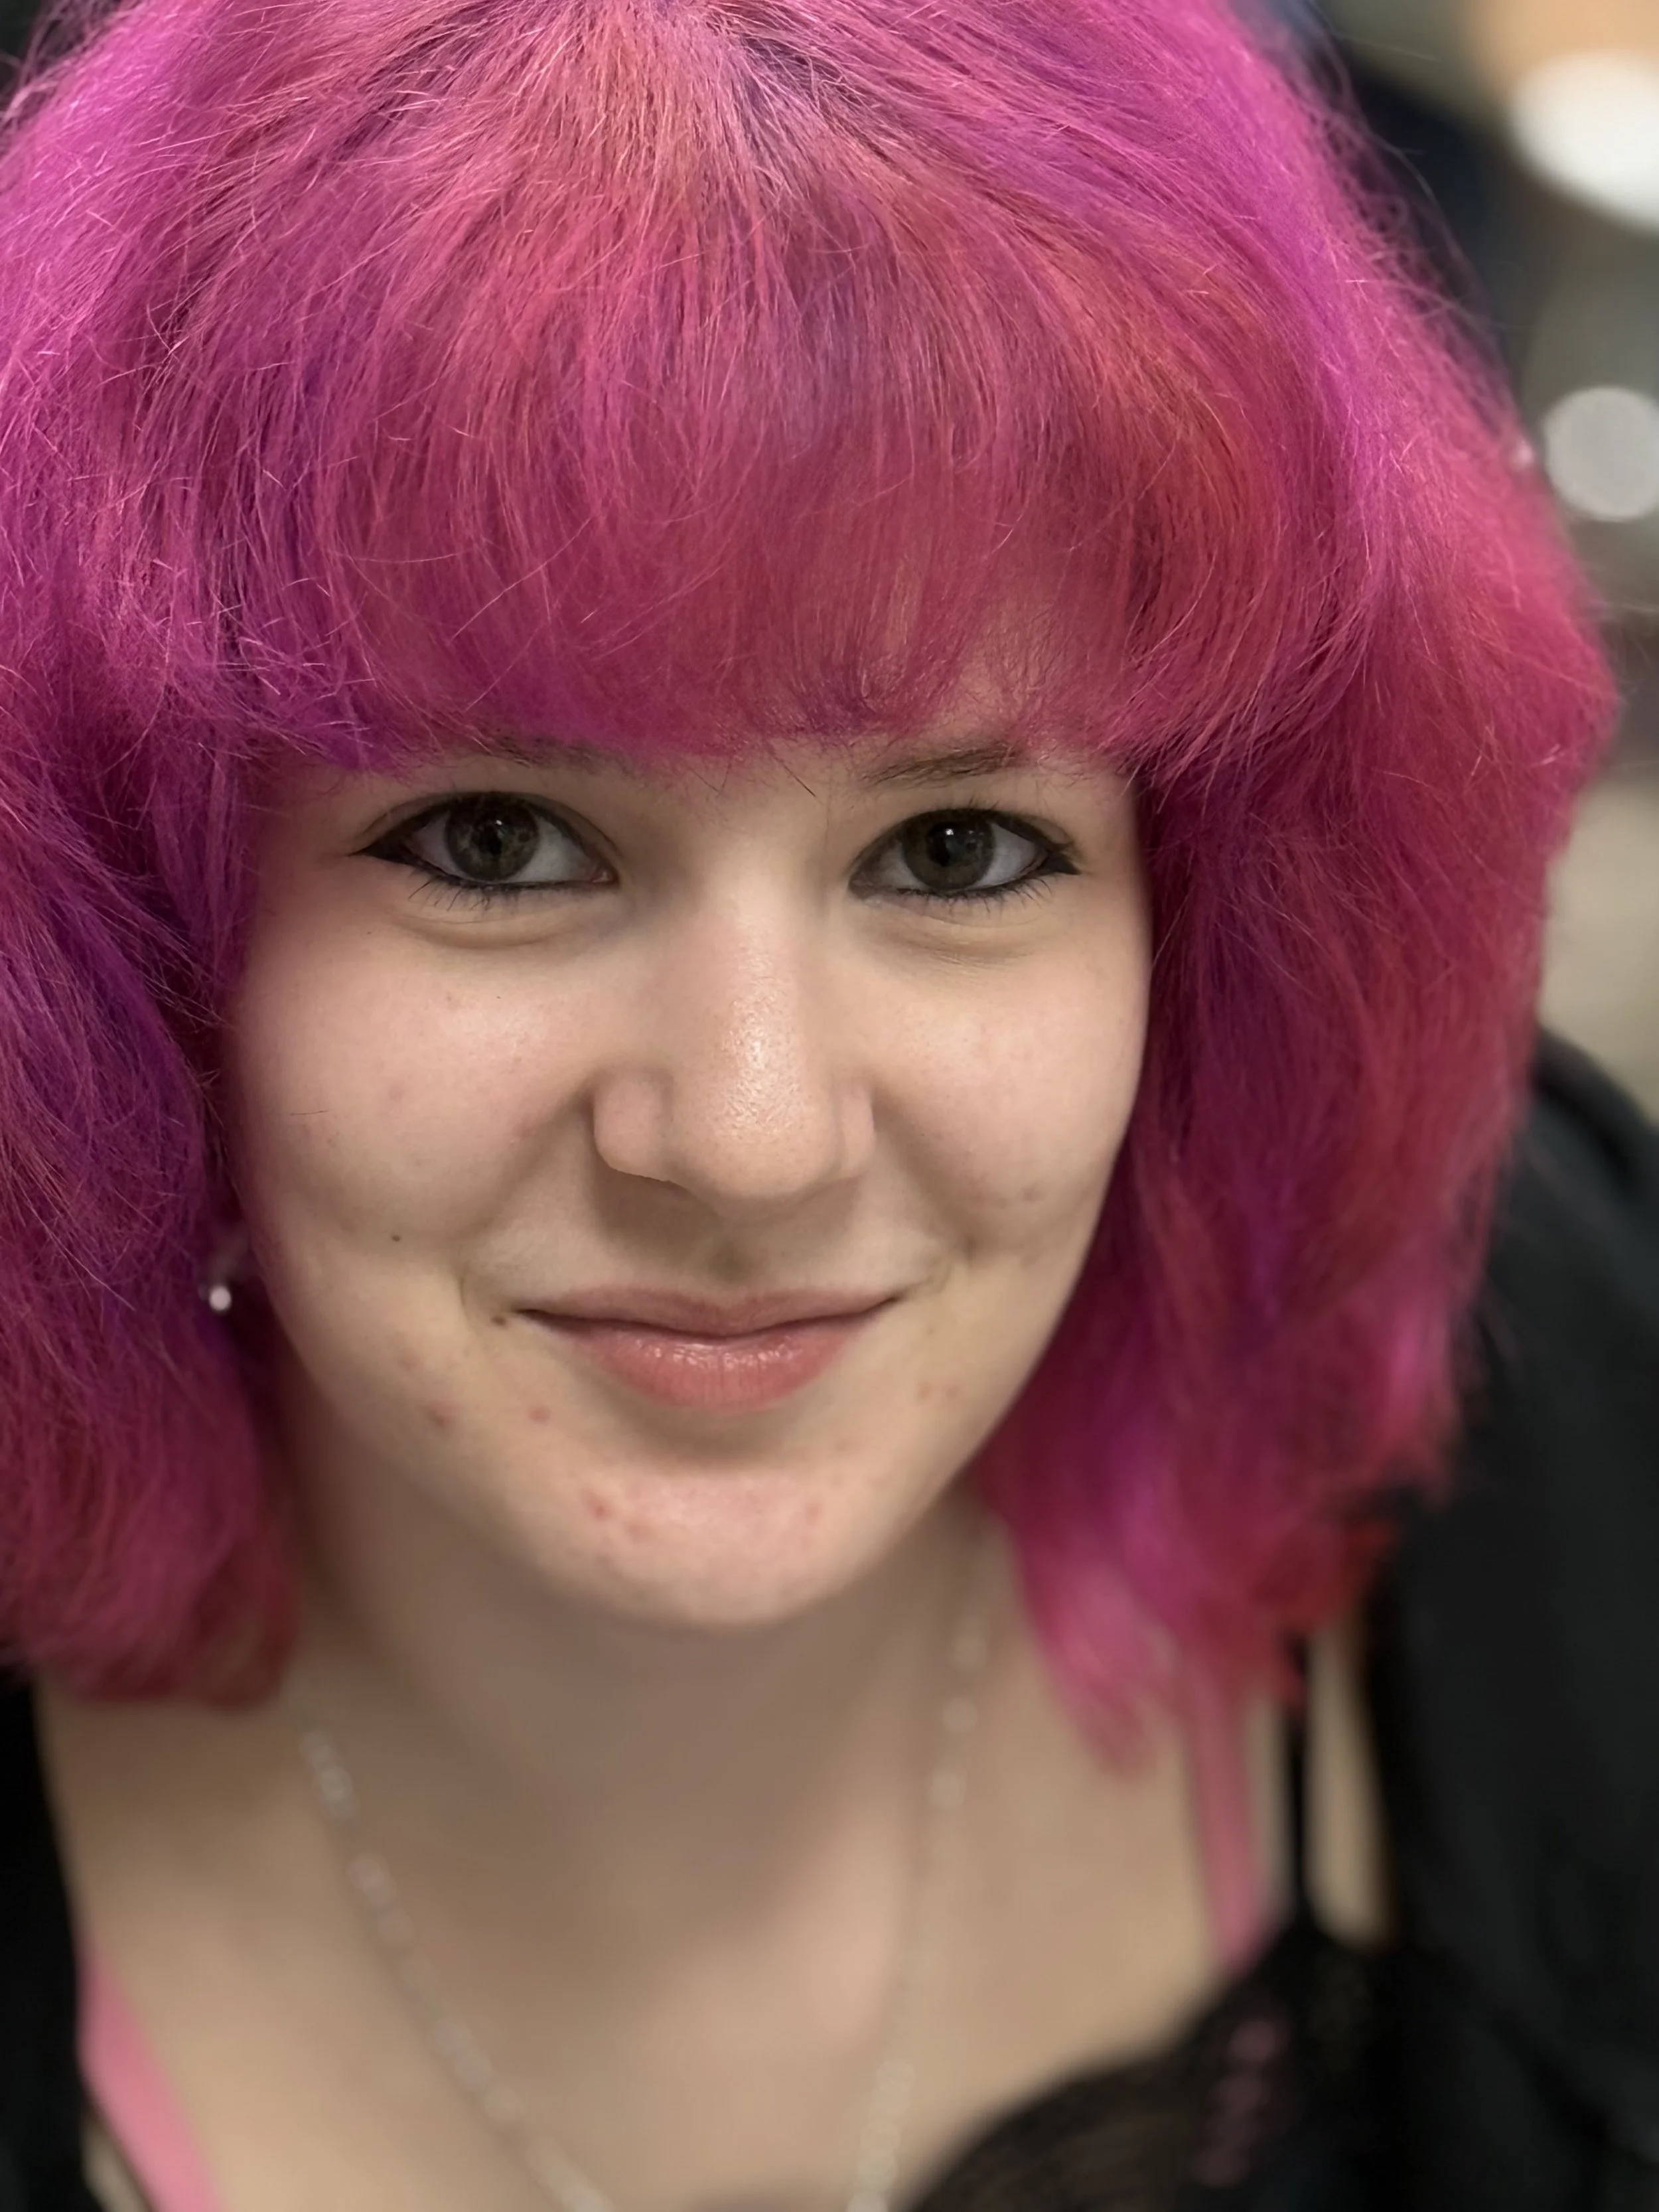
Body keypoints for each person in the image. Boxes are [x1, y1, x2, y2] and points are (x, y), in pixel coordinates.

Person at [0, 0, 1652, 2207]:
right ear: (143, 942)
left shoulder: (1556, 1378)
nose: (752, 1137)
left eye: (955, 851)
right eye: (499, 843)